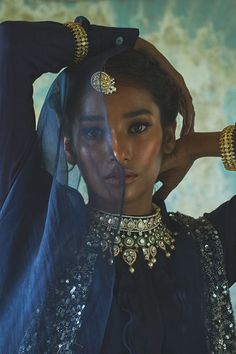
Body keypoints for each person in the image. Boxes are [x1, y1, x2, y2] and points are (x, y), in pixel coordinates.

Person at [0, 16, 235, 354]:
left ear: (167, 136)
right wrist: (128, 42)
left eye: (138, 128)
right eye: (95, 133)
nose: (118, 152)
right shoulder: (39, 231)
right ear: (69, 146)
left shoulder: (204, 249)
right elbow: (11, 47)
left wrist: (200, 145)